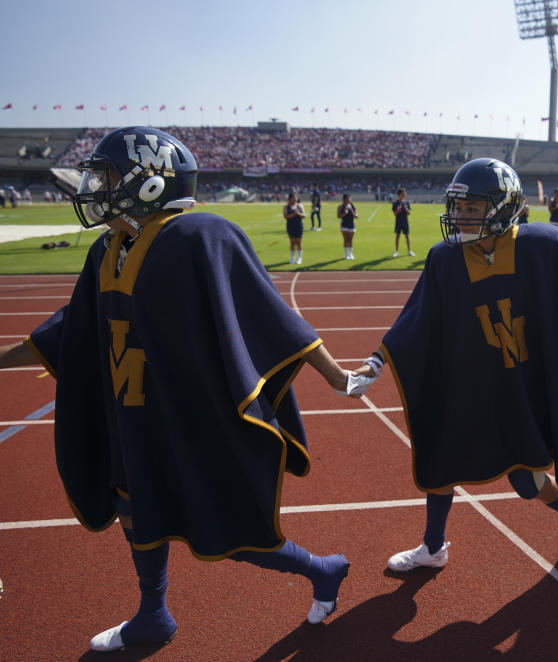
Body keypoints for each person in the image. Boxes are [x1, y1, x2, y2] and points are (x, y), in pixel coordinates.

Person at [0, 127, 365, 652]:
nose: (93, 187)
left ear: (148, 184)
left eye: (105, 178)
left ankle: (321, 570)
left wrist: (337, 376)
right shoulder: (107, 247)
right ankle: (153, 615)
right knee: (133, 511)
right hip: (130, 414)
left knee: (221, 523)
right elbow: (67, 332)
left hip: (187, 415)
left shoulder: (200, 235)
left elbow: (272, 316)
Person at [351, 158, 558, 570]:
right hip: (471, 381)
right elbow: (416, 317)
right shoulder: (445, 259)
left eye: (472, 209)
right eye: (457, 208)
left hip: (521, 385)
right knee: (440, 453)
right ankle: (433, 546)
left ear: (504, 207)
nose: (460, 218)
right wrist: (375, 363)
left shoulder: (543, 245)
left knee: (526, 482)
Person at [283, 192, 305, 264]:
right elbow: (286, 216)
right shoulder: (286, 207)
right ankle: (292, 258)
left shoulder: (300, 205)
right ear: (289, 199)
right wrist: (294, 214)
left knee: (298, 242)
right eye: (293, 199)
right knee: (292, 242)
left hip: (298, 225)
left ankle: (299, 258)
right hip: (290, 225)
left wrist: (297, 213)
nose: (294, 200)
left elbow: (304, 215)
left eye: (295, 198)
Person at [391, 188, 414, 257]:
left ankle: (409, 251)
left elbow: (409, 213)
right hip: (398, 222)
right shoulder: (395, 203)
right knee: (397, 237)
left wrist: (406, 208)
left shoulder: (406, 202)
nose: (404, 195)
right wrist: (399, 208)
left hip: (405, 222)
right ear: (399, 194)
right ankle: (396, 251)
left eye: (405, 193)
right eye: (403, 193)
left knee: (407, 236)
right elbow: (395, 213)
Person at [337, 193, 358, 260]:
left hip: (351, 224)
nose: (350, 199)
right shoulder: (341, 206)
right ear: (344, 199)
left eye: (350, 198)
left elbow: (357, 216)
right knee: (346, 240)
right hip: (344, 225)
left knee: (350, 240)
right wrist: (344, 213)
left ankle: (351, 254)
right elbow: (338, 216)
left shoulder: (352, 206)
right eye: (348, 198)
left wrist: (353, 214)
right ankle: (346, 254)